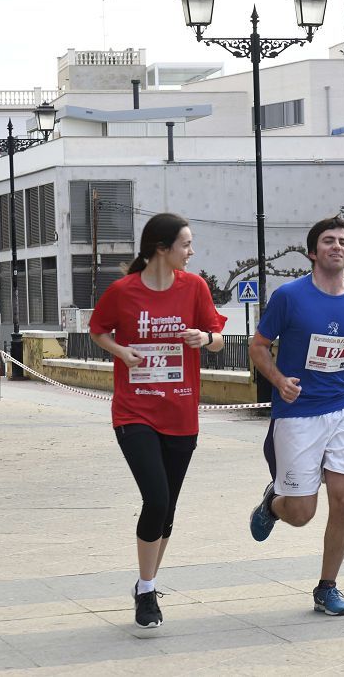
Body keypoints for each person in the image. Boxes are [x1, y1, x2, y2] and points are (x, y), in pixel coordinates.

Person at [247, 216, 344, 616]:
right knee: (301, 514)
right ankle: (272, 504)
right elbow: (259, 346)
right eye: (328, 241)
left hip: (341, 410)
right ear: (313, 252)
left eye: (343, 241)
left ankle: (327, 586)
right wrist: (280, 381)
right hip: (297, 415)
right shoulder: (289, 296)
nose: (337, 246)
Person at [89, 213, 227, 629]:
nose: (192, 251)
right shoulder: (123, 291)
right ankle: (147, 592)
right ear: (161, 249)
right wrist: (121, 352)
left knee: (167, 509)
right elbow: (98, 329)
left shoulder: (195, 287)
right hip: (134, 411)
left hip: (181, 413)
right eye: (186, 244)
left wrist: (205, 338)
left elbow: (219, 338)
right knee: (157, 498)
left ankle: (144, 581)